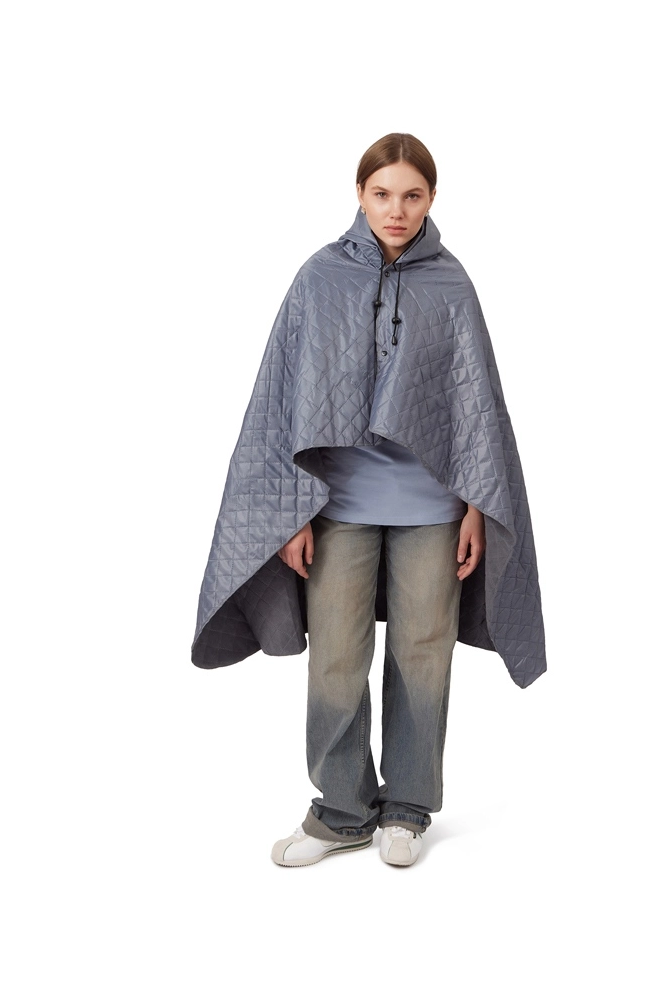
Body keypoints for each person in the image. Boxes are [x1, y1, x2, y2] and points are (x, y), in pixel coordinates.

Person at [191, 134, 546, 869]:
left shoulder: (451, 283)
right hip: (338, 505)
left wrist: (475, 506)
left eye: (412, 195)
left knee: (423, 656)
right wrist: (292, 509)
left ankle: (407, 809)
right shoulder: (319, 278)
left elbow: (477, 408)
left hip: (432, 509)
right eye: (382, 194)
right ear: (360, 194)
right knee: (336, 659)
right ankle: (341, 811)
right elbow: (283, 397)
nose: (396, 210)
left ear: (432, 199)